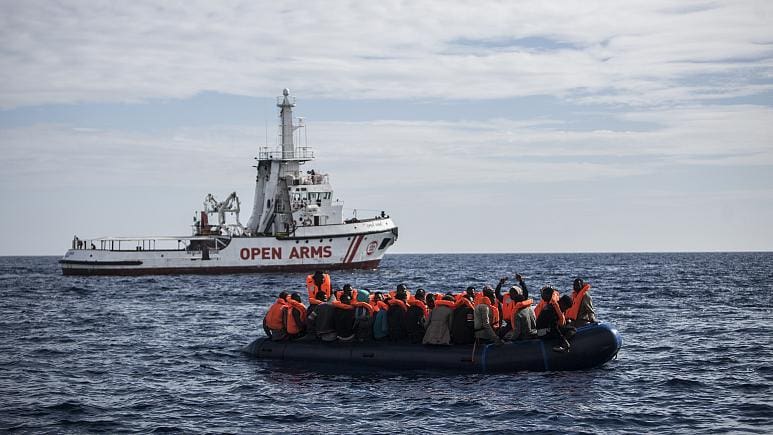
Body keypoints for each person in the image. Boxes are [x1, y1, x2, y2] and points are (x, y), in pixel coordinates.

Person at [535, 286, 571, 351]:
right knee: (572, 330)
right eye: (566, 307)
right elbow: (553, 326)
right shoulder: (552, 309)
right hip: (543, 333)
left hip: (543, 331)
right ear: (563, 303)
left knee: (567, 327)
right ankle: (559, 345)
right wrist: (564, 340)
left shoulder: (552, 306)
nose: (565, 309)